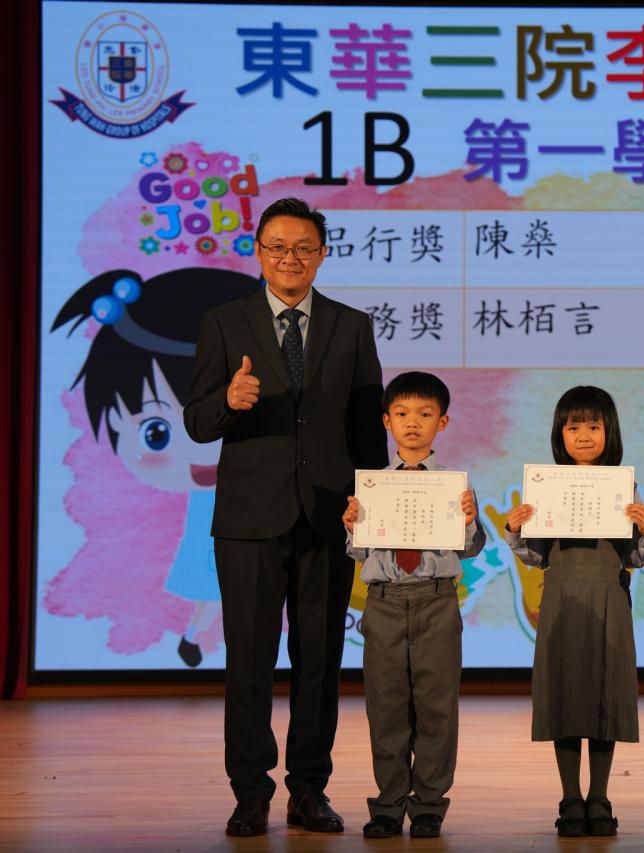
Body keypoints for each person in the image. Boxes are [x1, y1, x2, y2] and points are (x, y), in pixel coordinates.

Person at [184, 197, 387, 836]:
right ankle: (250, 793)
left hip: (328, 516)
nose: (290, 258)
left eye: (303, 247)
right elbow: (196, 422)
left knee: (319, 661)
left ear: (322, 254)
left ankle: (308, 790)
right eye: (278, 247)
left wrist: (374, 511)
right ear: (258, 252)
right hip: (248, 520)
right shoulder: (224, 323)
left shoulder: (351, 327)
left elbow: (367, 429)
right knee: (249, 661)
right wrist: (229, 399)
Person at [52, 267, 260, 667]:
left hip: (253, 534)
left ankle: (209, 639)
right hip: (214, 537)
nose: (201, 450)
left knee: (236, 588)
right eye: (156, 433)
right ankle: (198, 638)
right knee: (215, 588)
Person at [503, 386, 644, 837]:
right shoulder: (545, 486)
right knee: (565, 695)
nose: (584, 435)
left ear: (611, 432)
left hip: (610, 593)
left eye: (594, 426)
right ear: (560, 434)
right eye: (574, 427)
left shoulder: (625, 487)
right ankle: (571, 798)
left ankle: (600, 798)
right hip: (561, 595)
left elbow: (636, 557)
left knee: (606, 696)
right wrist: (515, 530)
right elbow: (535, 556)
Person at [342, 371, 485, 839]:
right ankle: (388, 804)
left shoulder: (454, 484)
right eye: (402, 413)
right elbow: (359, 552)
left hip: (436, 599)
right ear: (386, 421)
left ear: (442, 423)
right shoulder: (373, 485)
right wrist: (352, 525)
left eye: (425, 414)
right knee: (386, 706)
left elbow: (470, 548)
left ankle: (428, 805)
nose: (412, 423)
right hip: (384, 602)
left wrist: (469, 518)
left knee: (436, 708)